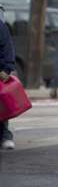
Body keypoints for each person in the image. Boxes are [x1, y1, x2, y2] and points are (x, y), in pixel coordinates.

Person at [0, 10, 16, 150]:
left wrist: (7, 68)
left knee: (1, 107)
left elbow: (7, 47)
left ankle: (5, 135)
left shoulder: (1, 26)